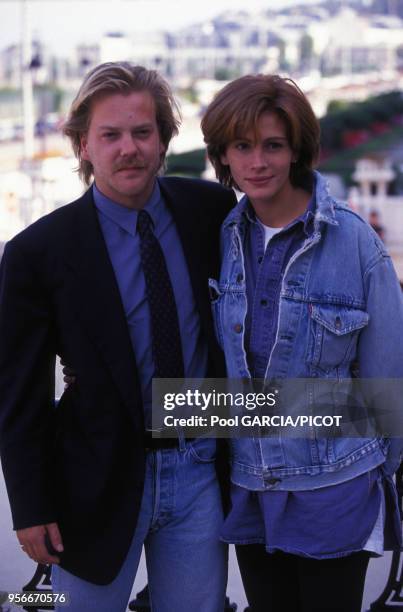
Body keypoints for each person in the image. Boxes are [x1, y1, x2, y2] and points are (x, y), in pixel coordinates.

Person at [0, 62, 236, 612]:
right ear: (84, 145)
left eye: (141, 132)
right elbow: (21, 392)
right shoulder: (38, 253)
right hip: (95, 479)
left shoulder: (211, 211)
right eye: (110, 135)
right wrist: (30, 506)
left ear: (162, 141)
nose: (127, 148)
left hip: (200, 468)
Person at [201, 74, 403, 612]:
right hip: (249, 486)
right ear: (223, 153)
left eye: (273, 145)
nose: (258, 162)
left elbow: (388, 390)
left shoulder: (355, 242)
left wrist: (374, 477)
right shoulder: (217, 238)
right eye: (242, 146)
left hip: (335, 488)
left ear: (296, 151)